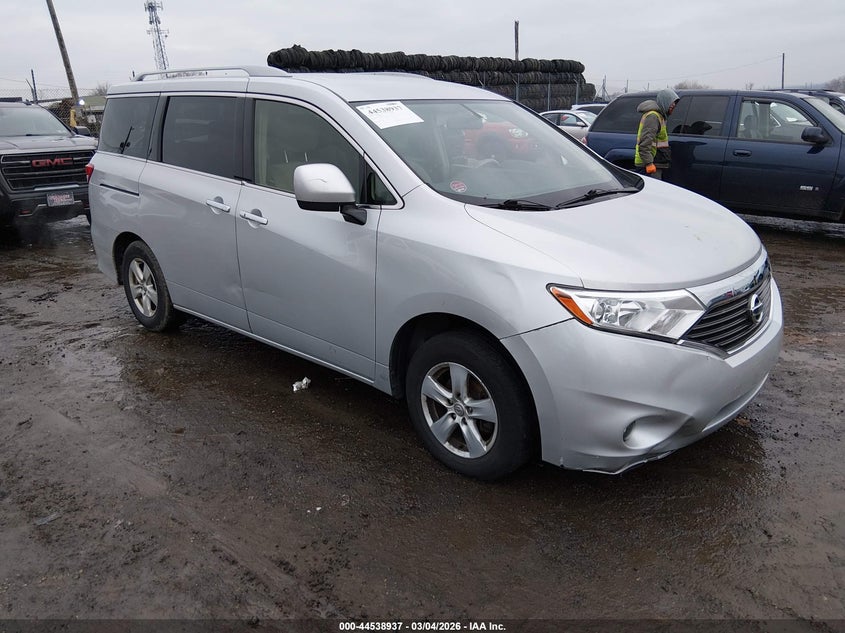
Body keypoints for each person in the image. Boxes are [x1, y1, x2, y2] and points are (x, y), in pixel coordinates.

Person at [634, 88, 679, 179]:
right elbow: (645, 142)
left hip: (655, 162)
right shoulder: (653, 116)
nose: (674, 105)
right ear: (665, 102)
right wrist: (649, 163)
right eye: (671, 102)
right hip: (648, 164)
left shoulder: (660, 116)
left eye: (675, 103)